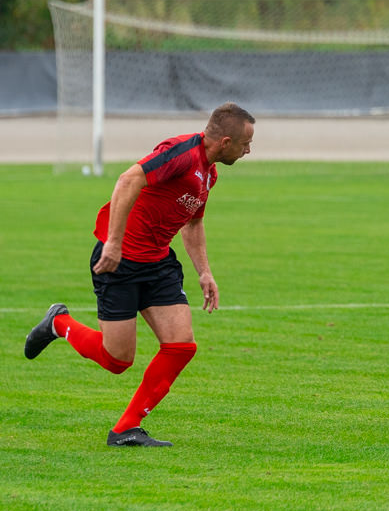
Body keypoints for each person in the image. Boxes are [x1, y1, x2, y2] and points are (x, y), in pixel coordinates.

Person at [24, 102, 256, 446]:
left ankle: (125, 429)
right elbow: (128, 179)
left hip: (158, 263)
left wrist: (205, 273)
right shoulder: (180, 153)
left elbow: (192, 223)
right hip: (120, 262)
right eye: (245, 143)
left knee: (181, 346)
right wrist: (113, 244)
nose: (249, 150)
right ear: (224, 142)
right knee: (117, 360)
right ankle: (59, 324)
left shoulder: (210, 173)